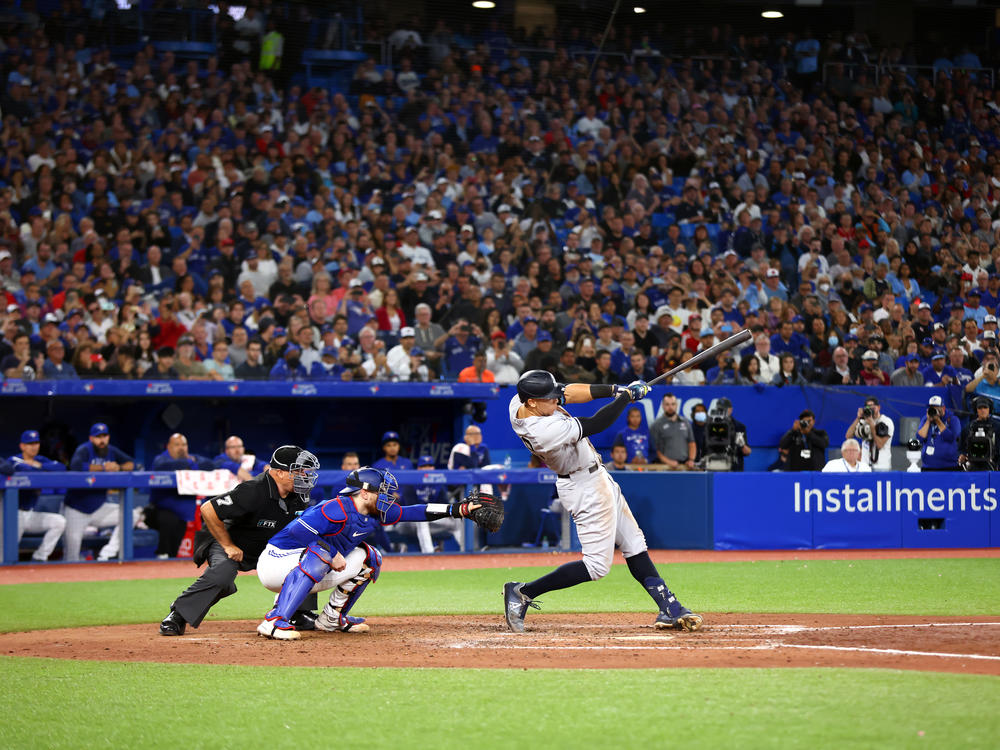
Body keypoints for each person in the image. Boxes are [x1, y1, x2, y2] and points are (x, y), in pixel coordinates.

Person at [503, 370, 701, 633]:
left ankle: (669, 607)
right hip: (583, 487)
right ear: (533, 403)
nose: (557, 401)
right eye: (550, 399)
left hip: (597, 477)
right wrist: (626, 399)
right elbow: (595, 423)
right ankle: (523, 592)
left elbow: (568, 391)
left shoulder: (520, 401)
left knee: (634, 544)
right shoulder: (543, 430)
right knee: (596, 566)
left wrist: (616, 389)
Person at [255, 466, 491, 639]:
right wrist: (329, 553)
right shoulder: (334, 508)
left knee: (370, 557)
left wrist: (457, 509)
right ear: (365, 493)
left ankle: (331, 619)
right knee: (321, 553)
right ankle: (274, 622)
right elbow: (297, 533)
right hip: (276, 563)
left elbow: (414, 512)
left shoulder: (375, 512)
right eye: (383, 491)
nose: (389, 497)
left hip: (307, 566)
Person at [159, 446, 319, 636]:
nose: (304, 475)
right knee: (222, 575)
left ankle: (297, 613)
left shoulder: (300, 496)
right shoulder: (253, 490)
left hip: (267, 546)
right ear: (279, 473)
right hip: (230, 540)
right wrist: (227, 545)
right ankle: (178, 614)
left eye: (304, 471)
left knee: (308, 556)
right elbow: (208, 509)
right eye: (298, 471)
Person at [65, 423, 137, 562]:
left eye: (104, 436)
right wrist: (104, 468)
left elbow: (132, 463)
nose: (102, 440)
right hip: (77, 510)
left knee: (130, 515)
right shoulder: (84, 449)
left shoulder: (111, 450)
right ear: (91, 438)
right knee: (71, 557)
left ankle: (107, 553)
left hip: (99, 509)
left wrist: (118, 467)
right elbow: (76, 465)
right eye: (98, 437)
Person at [148, 433, 214, 558]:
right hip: (159, 511)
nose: (181, 448)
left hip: (183, 515)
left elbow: (211, 465)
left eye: (184, 445)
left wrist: (192, 461)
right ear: (168, 447)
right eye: (177, 445)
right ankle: (161, 554)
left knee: (174, 549)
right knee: (169, 521)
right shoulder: (161, 459)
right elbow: (162, 467)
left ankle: (168, 564)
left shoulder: (191, 458)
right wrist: (188, 462)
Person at [9, 429, 66, 561]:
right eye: (30, 444)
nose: (34, 446)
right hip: (11, 515)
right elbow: (24, 469)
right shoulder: (14, 459)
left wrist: (38, 465)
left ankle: (40, 556)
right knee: (5, 554)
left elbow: (61, 467)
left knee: (59, 522)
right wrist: (43, 468)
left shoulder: (40, 459)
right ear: (22, 446)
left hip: (29, 514)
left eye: (36, 443)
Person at [649, 393, 697, 470]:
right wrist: (668, 461)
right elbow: (654, 449)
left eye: (673, 404)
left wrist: (691, 460)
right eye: (667, 404)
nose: (670, 407)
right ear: (662, 405)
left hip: (684, 466)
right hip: (664, 466)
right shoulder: (656, 425)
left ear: (677, 405)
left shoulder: (685, 422)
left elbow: (691, 443)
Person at [846, 396, 894, 471]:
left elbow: (879, 445)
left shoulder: (886, 422)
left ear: (879, 407)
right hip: (865, 466)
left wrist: (872, 424)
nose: (871, 409)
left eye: (873, 407)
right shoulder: (863, 421)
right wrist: (858, 418)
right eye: (868, 407)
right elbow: (848, 436)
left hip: (881, 466)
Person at [917, 395, 961, 471]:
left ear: (943, 408)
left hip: (948, 466)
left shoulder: (953, 419)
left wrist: (938, 421)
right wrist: (928, 421)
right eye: (931, 408)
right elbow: (920, 438)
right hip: (928, 466)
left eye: (936, 408)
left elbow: (951, 438)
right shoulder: (925, 419)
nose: (933, 410)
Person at [959, 397, 999, 470]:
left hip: (994, 464)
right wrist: (962, 455)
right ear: (976, 410)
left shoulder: (997, 427)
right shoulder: (969, 427)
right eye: (980, 408)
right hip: (973, 465)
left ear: (989, 409)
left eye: (985, 407)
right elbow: (961, 447)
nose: (982, 410)